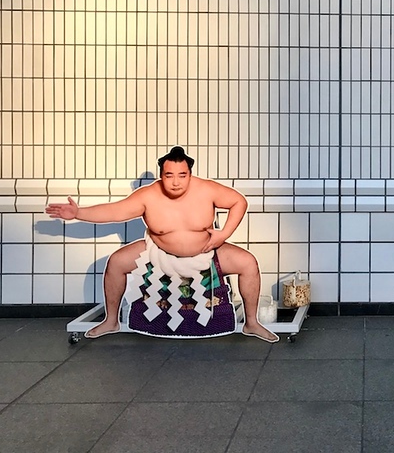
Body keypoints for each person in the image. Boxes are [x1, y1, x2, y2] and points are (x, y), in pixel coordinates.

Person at [46, 146, 279, 343]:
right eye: (169, 175)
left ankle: (251, 323)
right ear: (161, 175)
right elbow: (115, 211)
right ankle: (111, 321)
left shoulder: (207, 189)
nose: (176, 182)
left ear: (190, 173)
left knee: (248, 263)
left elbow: (239, 201)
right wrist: (78, 213)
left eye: (182, 175)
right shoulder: (148, 195)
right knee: (116, 262)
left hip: (207, 252)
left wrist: (223, 234)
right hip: (157, 253)